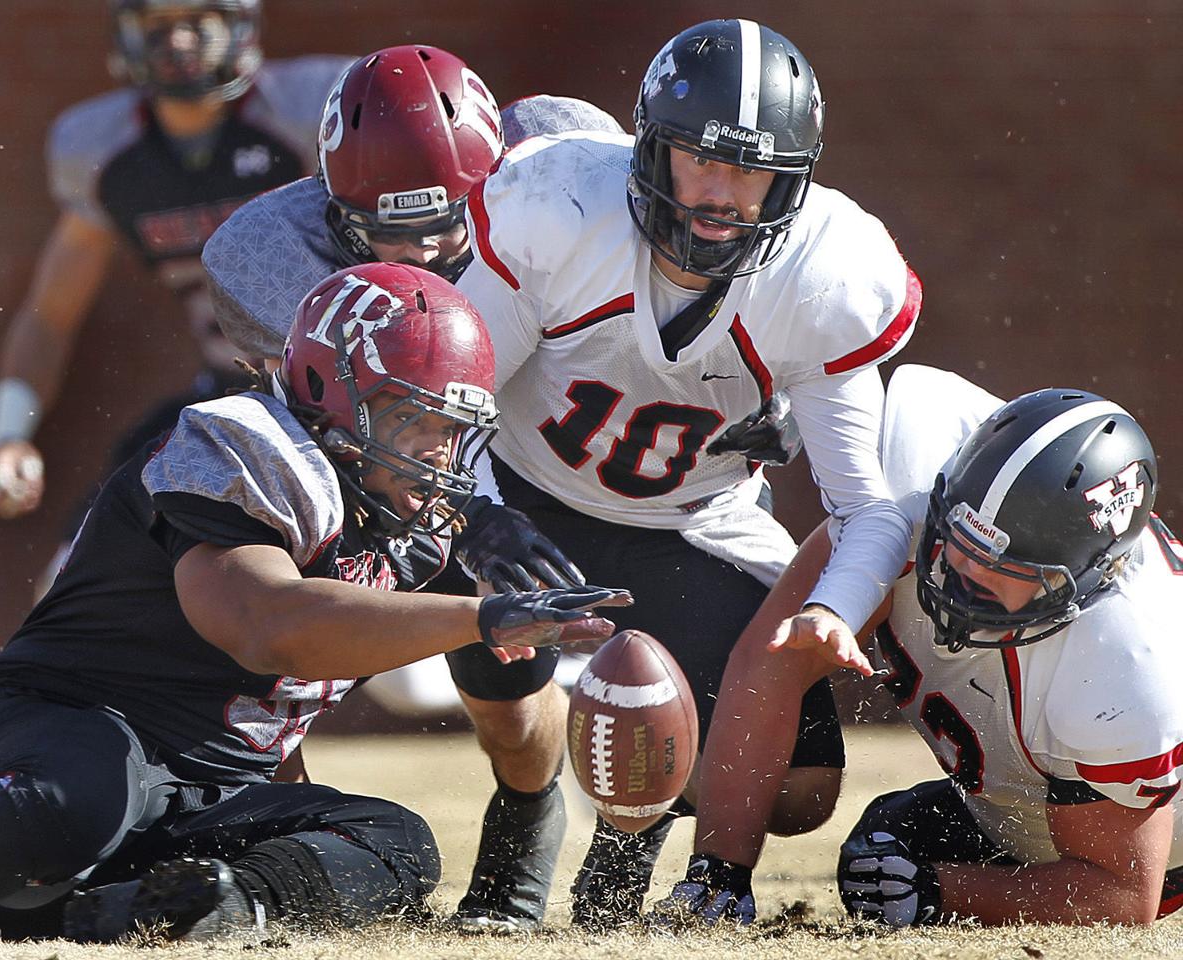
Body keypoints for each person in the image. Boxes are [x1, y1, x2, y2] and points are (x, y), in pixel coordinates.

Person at [0, 261, 630, 943]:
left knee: (394, 840)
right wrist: (478, 620)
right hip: (74, 725)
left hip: (206, 789)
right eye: (412, 417)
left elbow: (279, 707)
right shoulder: (239, 444)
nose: (438, 453)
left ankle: (201, 908)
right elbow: (264, 626)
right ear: (328, 393)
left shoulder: (422, 531)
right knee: (81, 802)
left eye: (452, 427)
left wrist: (522, 836)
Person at [453, 18, 922, 929]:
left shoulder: (825, 274)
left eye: (750, 172)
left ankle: (634, 827)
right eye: (699, 161)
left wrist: (832, 610)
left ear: (794, 179)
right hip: (517, 494)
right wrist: (474, 515)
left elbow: (867, 505)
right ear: (648, 148)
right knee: (451, 629)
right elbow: (452, 407)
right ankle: (515, 836)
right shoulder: (558, 206)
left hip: (688, 521)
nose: (720, 197)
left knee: (801, 791)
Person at [202, 46, 629, 934]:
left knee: (508, 697)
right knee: (269, 672)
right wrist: (465, 516)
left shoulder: (562, 163)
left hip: (518, 438)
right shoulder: (265, 256)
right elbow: (362, 418)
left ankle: (522, 835)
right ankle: (282, 857)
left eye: (442, 224)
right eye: (384, 233)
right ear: (329, 203)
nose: (423, 253)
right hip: (355, 467)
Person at [658, 364, 1183, 927]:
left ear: (1085, 576)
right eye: (959, 542)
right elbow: (770, 664)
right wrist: (719, 875)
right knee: (877, 850)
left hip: (1137, 845)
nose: (961, 574)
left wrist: (943, 890)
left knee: (892, 877)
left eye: (1004, 568)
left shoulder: (1125, 664)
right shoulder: (908, 508)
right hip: (1003, 798)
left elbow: (1123, 899)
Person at [0, 0, 350, 519]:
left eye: (197, 23)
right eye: (157, 26)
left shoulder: (312, 110)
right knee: (75, 561)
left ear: (236, 24)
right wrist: (7, 434)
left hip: (349, 397)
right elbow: (50, 314)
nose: (177, 42)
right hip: (232, 396)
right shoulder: (102, 150)